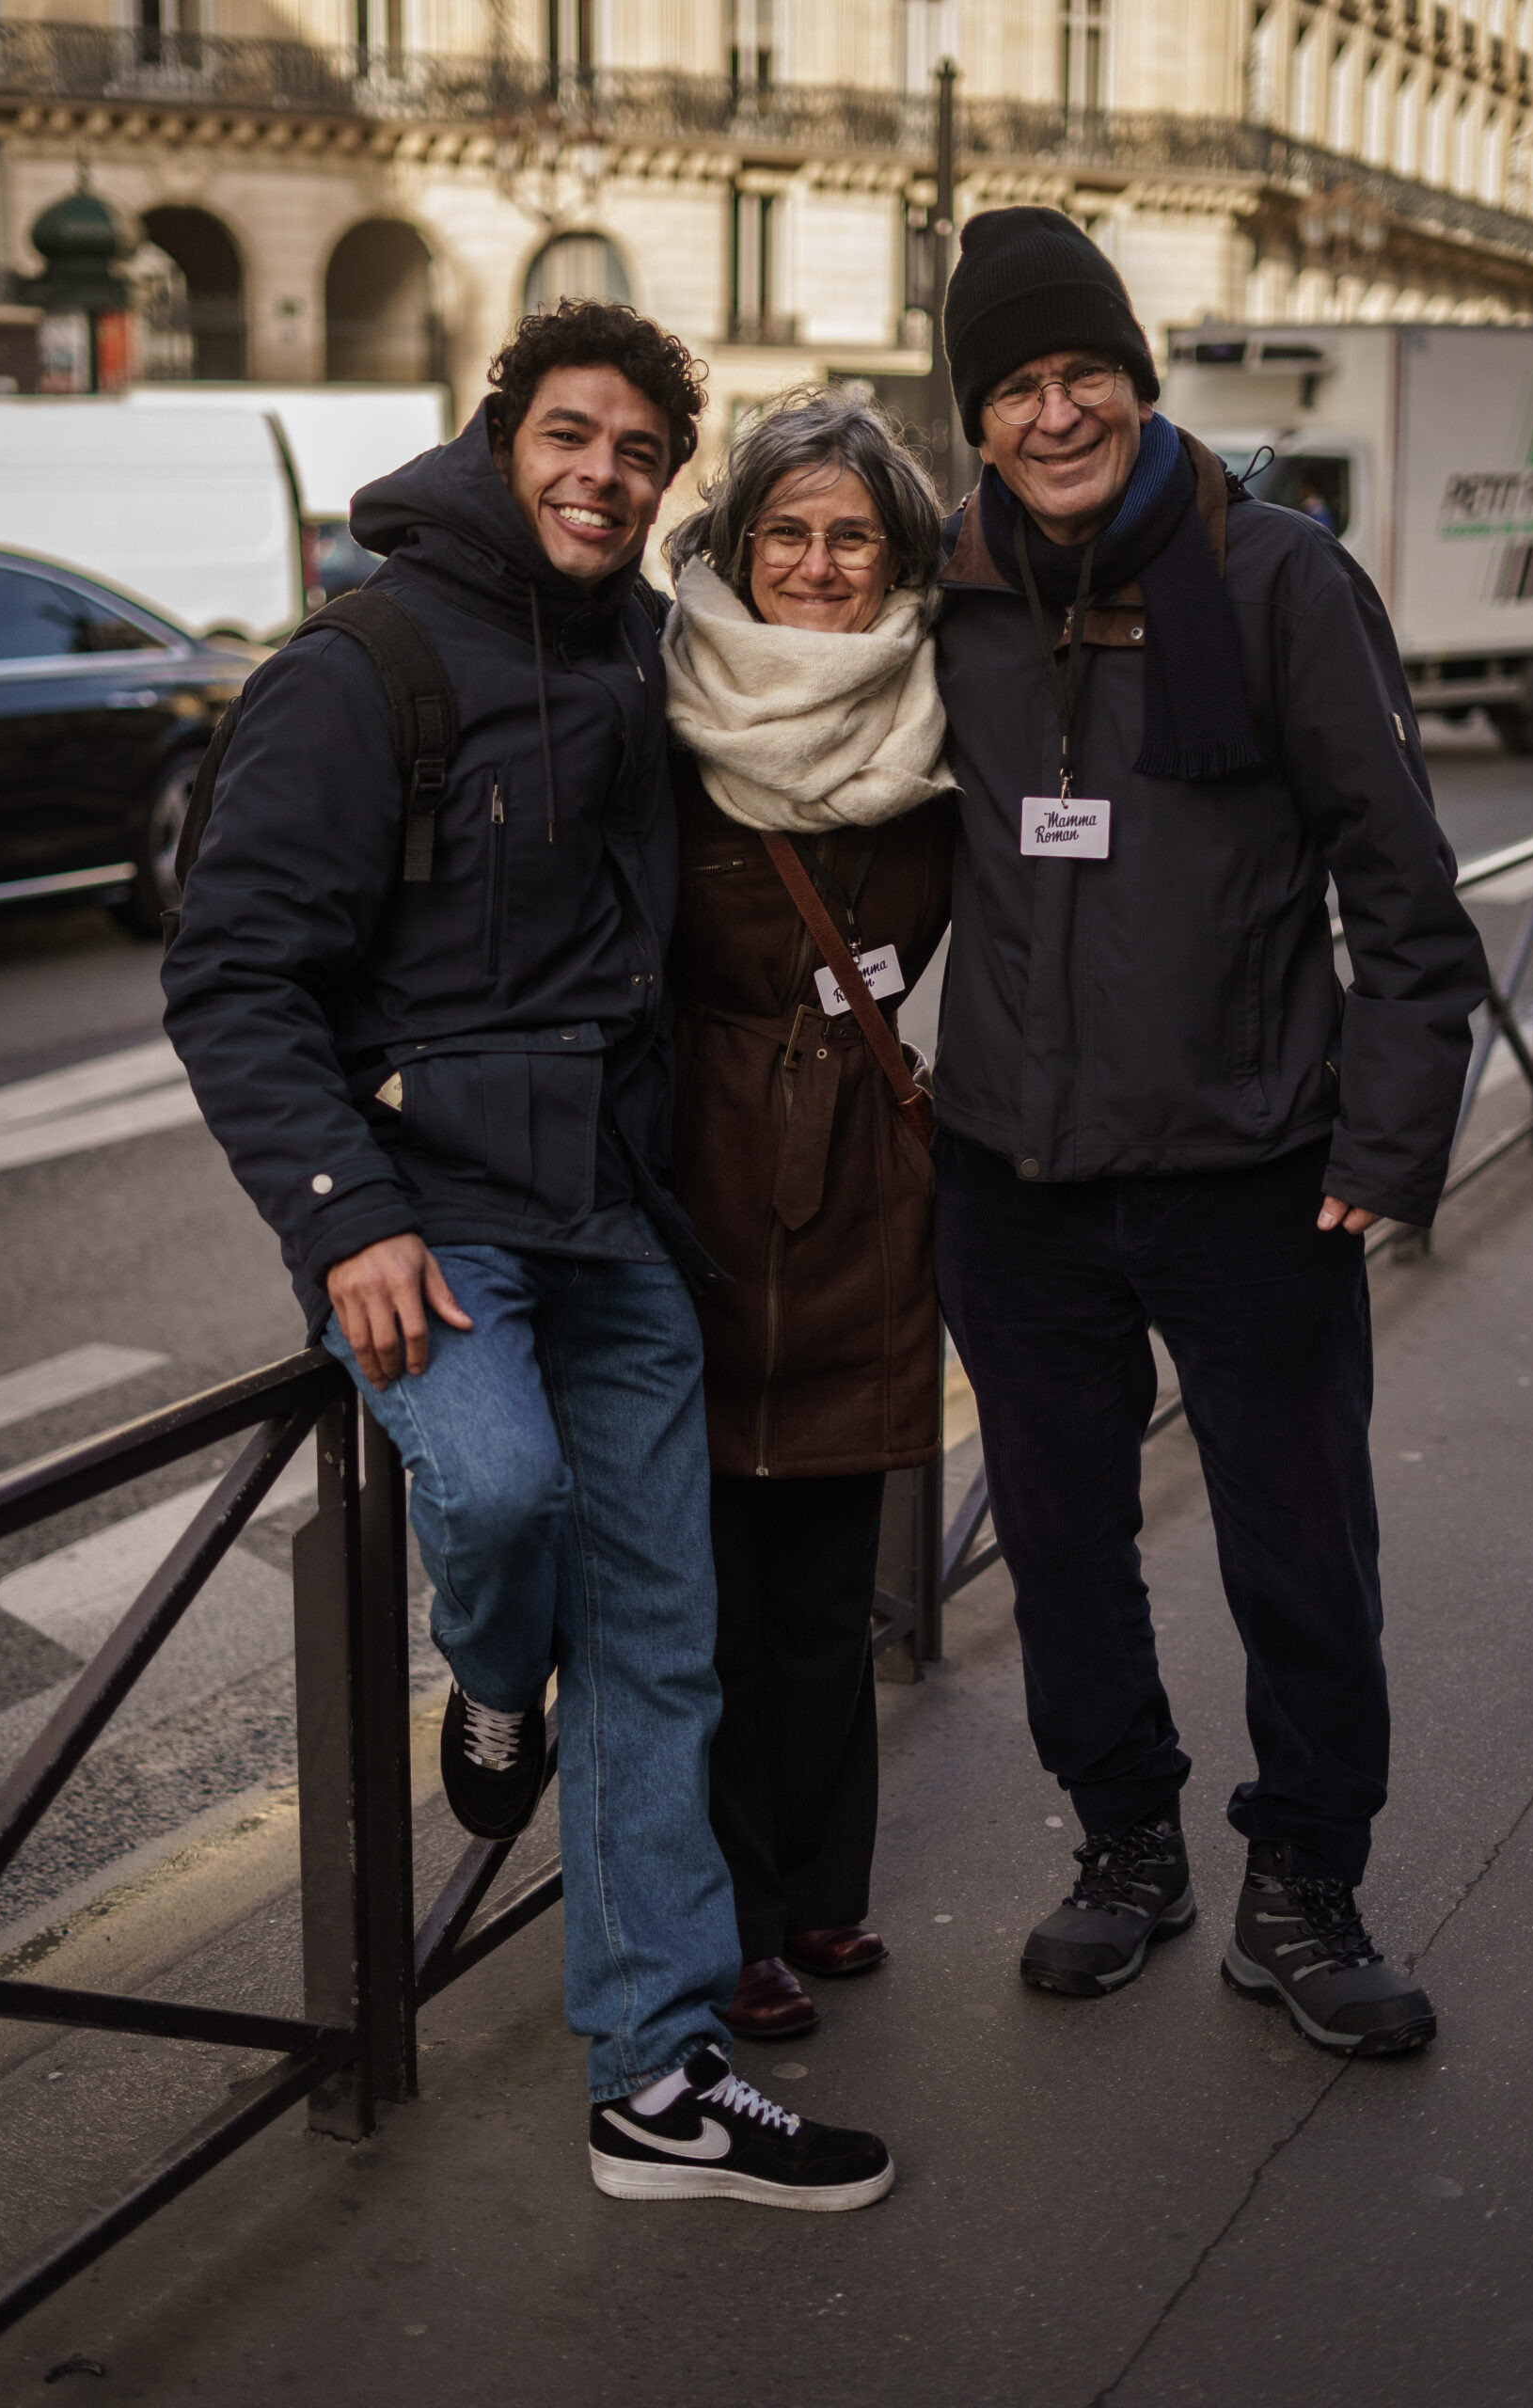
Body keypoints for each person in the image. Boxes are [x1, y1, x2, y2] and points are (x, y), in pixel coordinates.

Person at [162, 300, 893, 2210]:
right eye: (573, 435)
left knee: (663, 1649)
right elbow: (232, 969)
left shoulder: (645, 653)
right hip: (432, 1222)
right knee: (491, 1497)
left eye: (640, 455)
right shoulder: (363, 663)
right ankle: (489, 1684)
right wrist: (345, 1217)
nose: (603, 473)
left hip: (617, 1226)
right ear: (504, 437)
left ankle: (655, 2071)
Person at [931, 209, 1488, 2054]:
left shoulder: (1272, 581)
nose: (1052, 409)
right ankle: (1122, 1846)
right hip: (1014, 1182)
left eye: (1078, 368)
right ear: (976, 416)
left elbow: (1403, 893)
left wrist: (1377, 1149)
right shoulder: (954, 595)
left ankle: (1302, 1883)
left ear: (1131, 373)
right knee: (1059, 1547)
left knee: (1297, 1550)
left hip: (1255, 1174)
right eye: (1010, 384)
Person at [662, 388, 953, 2039]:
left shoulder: (941, 712)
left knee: (828, 1581)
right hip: (699, 1182)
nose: (821, 567)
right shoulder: (670, 712)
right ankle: (737, 1917)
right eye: (789, 534)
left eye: (852, 537)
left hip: (865, 1176)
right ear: (738, 546)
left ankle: (823, 1895)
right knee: (701, 1585)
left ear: (894, 555)